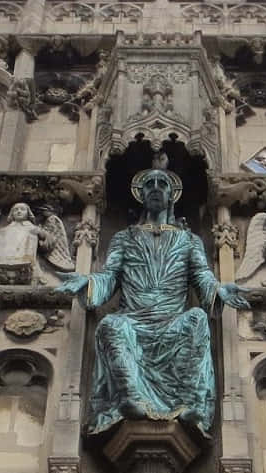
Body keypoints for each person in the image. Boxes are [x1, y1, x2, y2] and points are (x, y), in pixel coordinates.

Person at [56, 158, 248, 438]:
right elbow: (110, 276)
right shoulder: (125, 237)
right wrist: (87, 282)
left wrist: (220, 290)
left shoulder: (189, 240)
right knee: (111, 325)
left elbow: (202, 276)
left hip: (172, 323)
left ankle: (189, 405)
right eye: (149, 185)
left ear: (172, 195)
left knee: (196, 319)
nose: (156, 188)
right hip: (133, 321)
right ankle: (131, 399)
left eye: (162, 184)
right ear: (142, 194)